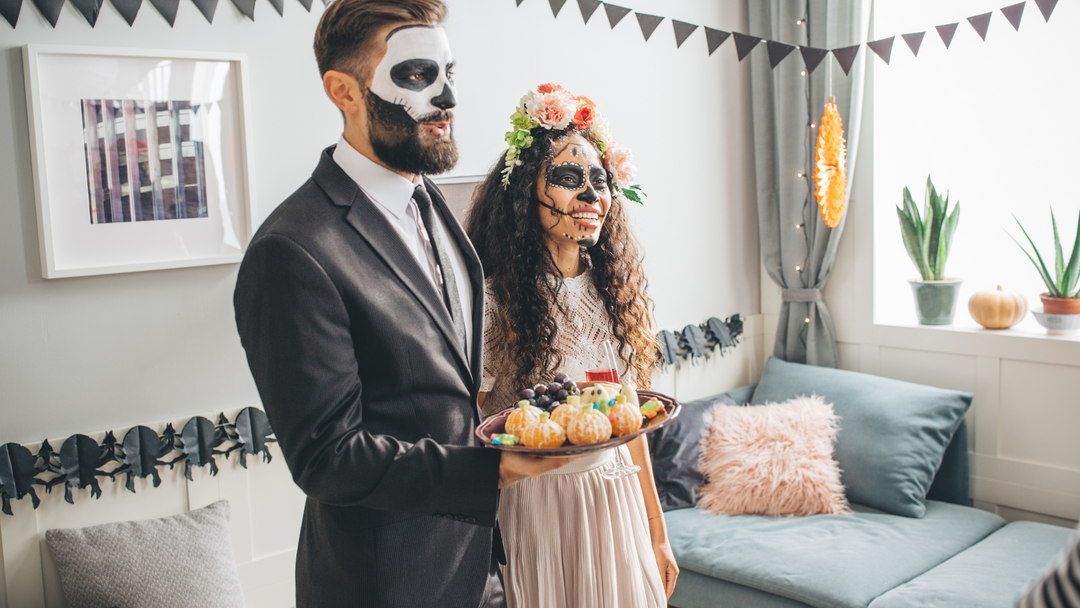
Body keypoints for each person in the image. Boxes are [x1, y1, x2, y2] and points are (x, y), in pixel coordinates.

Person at [233, 4, 574, 607]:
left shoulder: (431, 201)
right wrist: (491, 471)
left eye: (449, 71)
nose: (447, 97)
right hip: (385, 584)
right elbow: (327, 457)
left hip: (481, 569)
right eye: (416, 75)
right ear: (344, 91)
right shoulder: (291, 250)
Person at [465, 84, 679, 608]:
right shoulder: (496, 305)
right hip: (541, 511)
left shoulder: (616, 294)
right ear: (524, 195)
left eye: (599, 180)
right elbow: (468, 428)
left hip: (620, 500)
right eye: (567, 179)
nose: (591, 196)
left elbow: (630, 423)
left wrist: (657, 532)